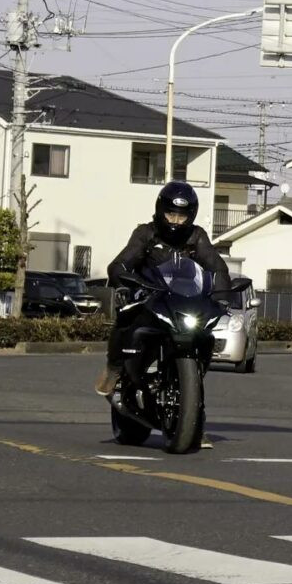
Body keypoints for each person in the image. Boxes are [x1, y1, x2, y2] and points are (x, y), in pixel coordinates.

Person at [94, 181, 231, 448]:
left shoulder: (197, 237)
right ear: (161, 211)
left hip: (183, 302)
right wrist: (122, 277)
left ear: (190, 216)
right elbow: (122, 261)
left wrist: (223, 297)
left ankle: (193, 422)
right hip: (150, 297)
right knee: (125, 317)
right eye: (171, 214)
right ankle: (114, 370)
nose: (176, 221)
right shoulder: (146, 234)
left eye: (182, 216)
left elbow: (218, 268)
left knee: (203, 338)